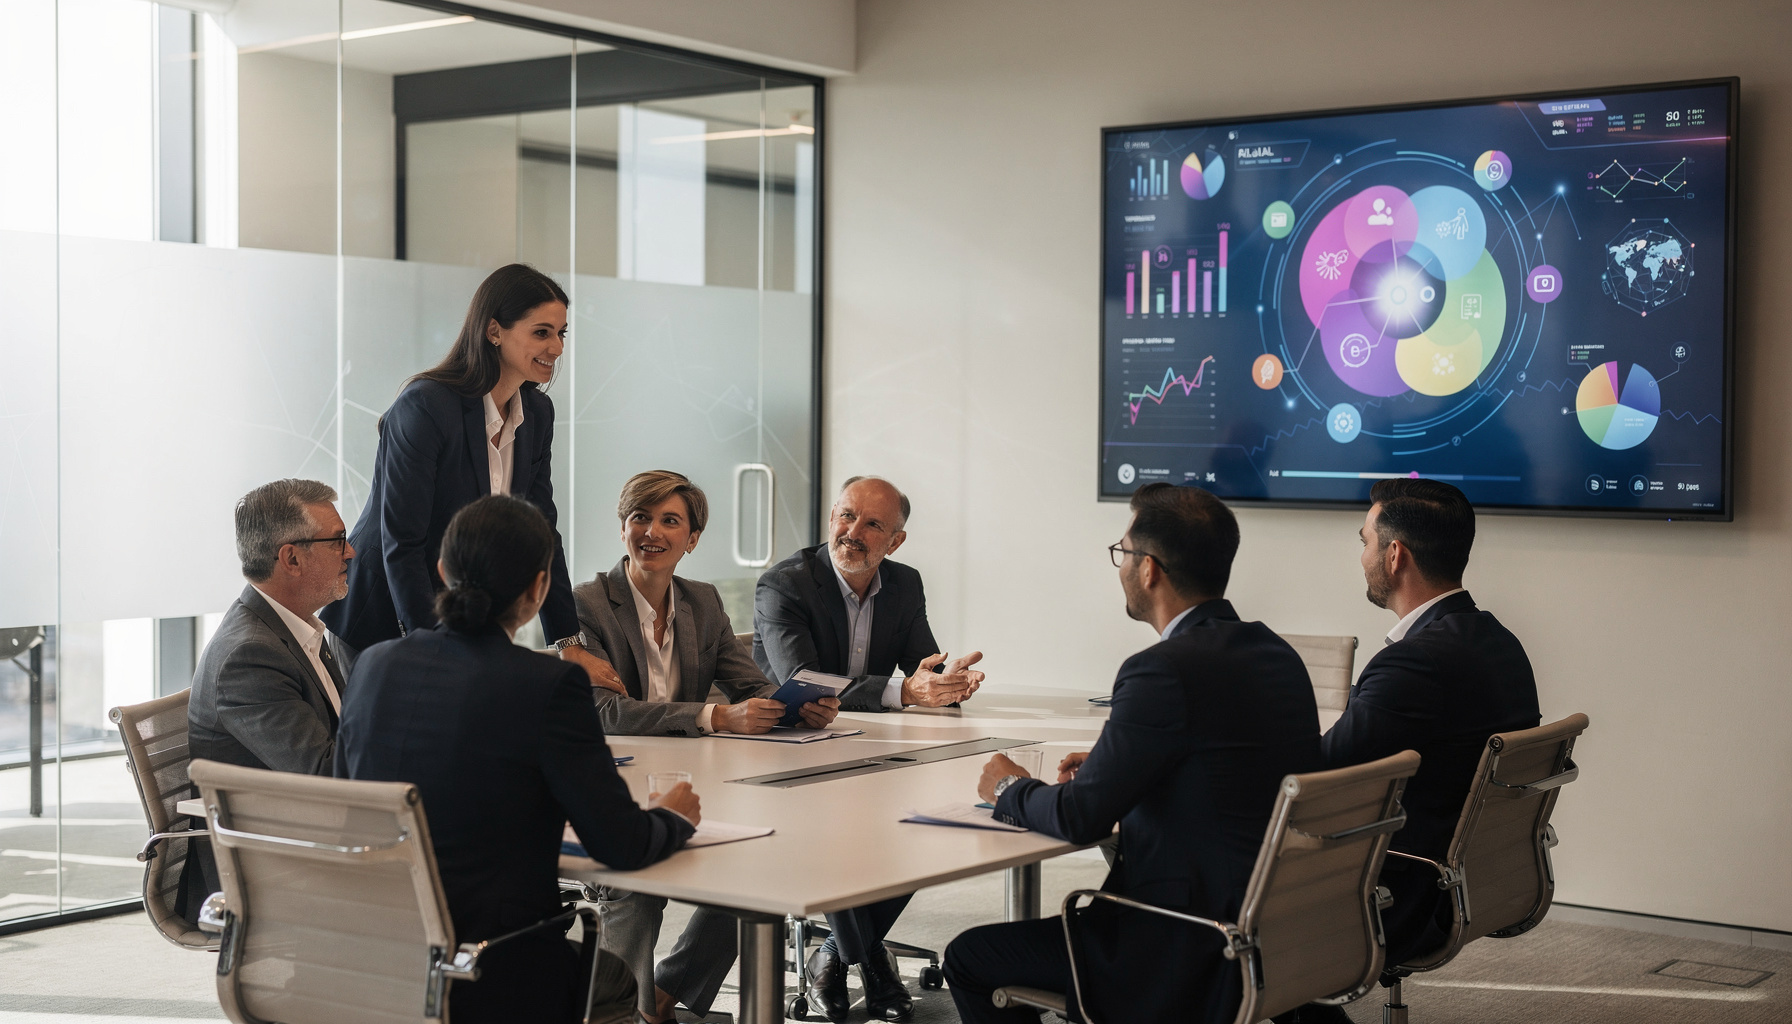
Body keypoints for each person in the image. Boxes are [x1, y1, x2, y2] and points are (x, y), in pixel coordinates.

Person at [944, 483, 1321, 1024]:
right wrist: (1115, 765)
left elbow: (1080, 818)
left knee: (969, 957)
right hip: (1272, 929)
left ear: (1149, 569)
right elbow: (1222, 766)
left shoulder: (1160, 670)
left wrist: (1009, 786)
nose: (1118, 565)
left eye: (1122, 552)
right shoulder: (1275, 652)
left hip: (1182, 944)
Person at [336, 495, 699, 1024]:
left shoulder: (372, 665)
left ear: (442, 571)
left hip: (370, 955)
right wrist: (672, 817)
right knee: (613, 978)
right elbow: (621, 845)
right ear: (539, 589)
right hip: (492, 968)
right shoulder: (549, 684)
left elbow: (349, 801)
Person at [574, 470, 840, 1023]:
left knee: (758, 868)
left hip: (695, 783)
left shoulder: (702, 600)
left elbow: (749, 686)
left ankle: (662, 996)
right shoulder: (586, 604)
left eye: (670, 521)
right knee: (637, 888)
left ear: (692, 538)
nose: (652, 532)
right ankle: (617, 1014)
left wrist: (796, 707)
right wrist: (713, 715)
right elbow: (603, 711)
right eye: (640, 518)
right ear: (622, 527)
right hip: (614, 785)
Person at [1280, 480, 1540, 1024]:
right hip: (1472, 880)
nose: (1362, 556)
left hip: (1398, 890)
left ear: (1395, 555)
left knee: (1215, 882)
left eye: (1365, 541)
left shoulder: (1414, 663)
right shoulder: (1500, 643)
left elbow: (1313, 782)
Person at [754, 475, 986, 1022]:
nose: (852, 531)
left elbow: (922, 666)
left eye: (872, 524)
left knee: (926, 821)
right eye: (845, 515)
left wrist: (947, 682)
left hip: (865, 745)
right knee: (841, 824)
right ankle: (872, 962)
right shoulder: (785, 583)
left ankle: (837, 951)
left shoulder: (904, 583)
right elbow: (806, 679)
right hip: (787, 748)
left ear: (895, 541)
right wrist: (907, 692)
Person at [321, 263, 612, 691]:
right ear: (494, 331)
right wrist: (435, 649)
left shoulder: (537, 414)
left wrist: (568, 642)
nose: (556, 347)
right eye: (541, 332)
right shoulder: (426, 406)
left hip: (464, 625)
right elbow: (402, 543)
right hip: (383, 617)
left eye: (561, 333)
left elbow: (542, 532)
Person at [189, 479, 355, 775]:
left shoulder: (296, 626)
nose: (350, 552)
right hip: (288, 806)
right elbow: (324, 773)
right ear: (292, 559)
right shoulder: (250, 657)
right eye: (337, 541)